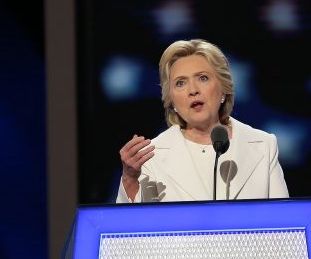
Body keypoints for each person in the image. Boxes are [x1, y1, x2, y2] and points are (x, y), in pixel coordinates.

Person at [117, 39, 289, 203]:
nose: (193, 90)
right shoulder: (151, 156)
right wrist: (130, 180)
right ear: (171, 100)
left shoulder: (263, 145)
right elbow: (134, 227)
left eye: (203, 78)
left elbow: (284, 222)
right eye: (180, 83)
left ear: (223, 89)